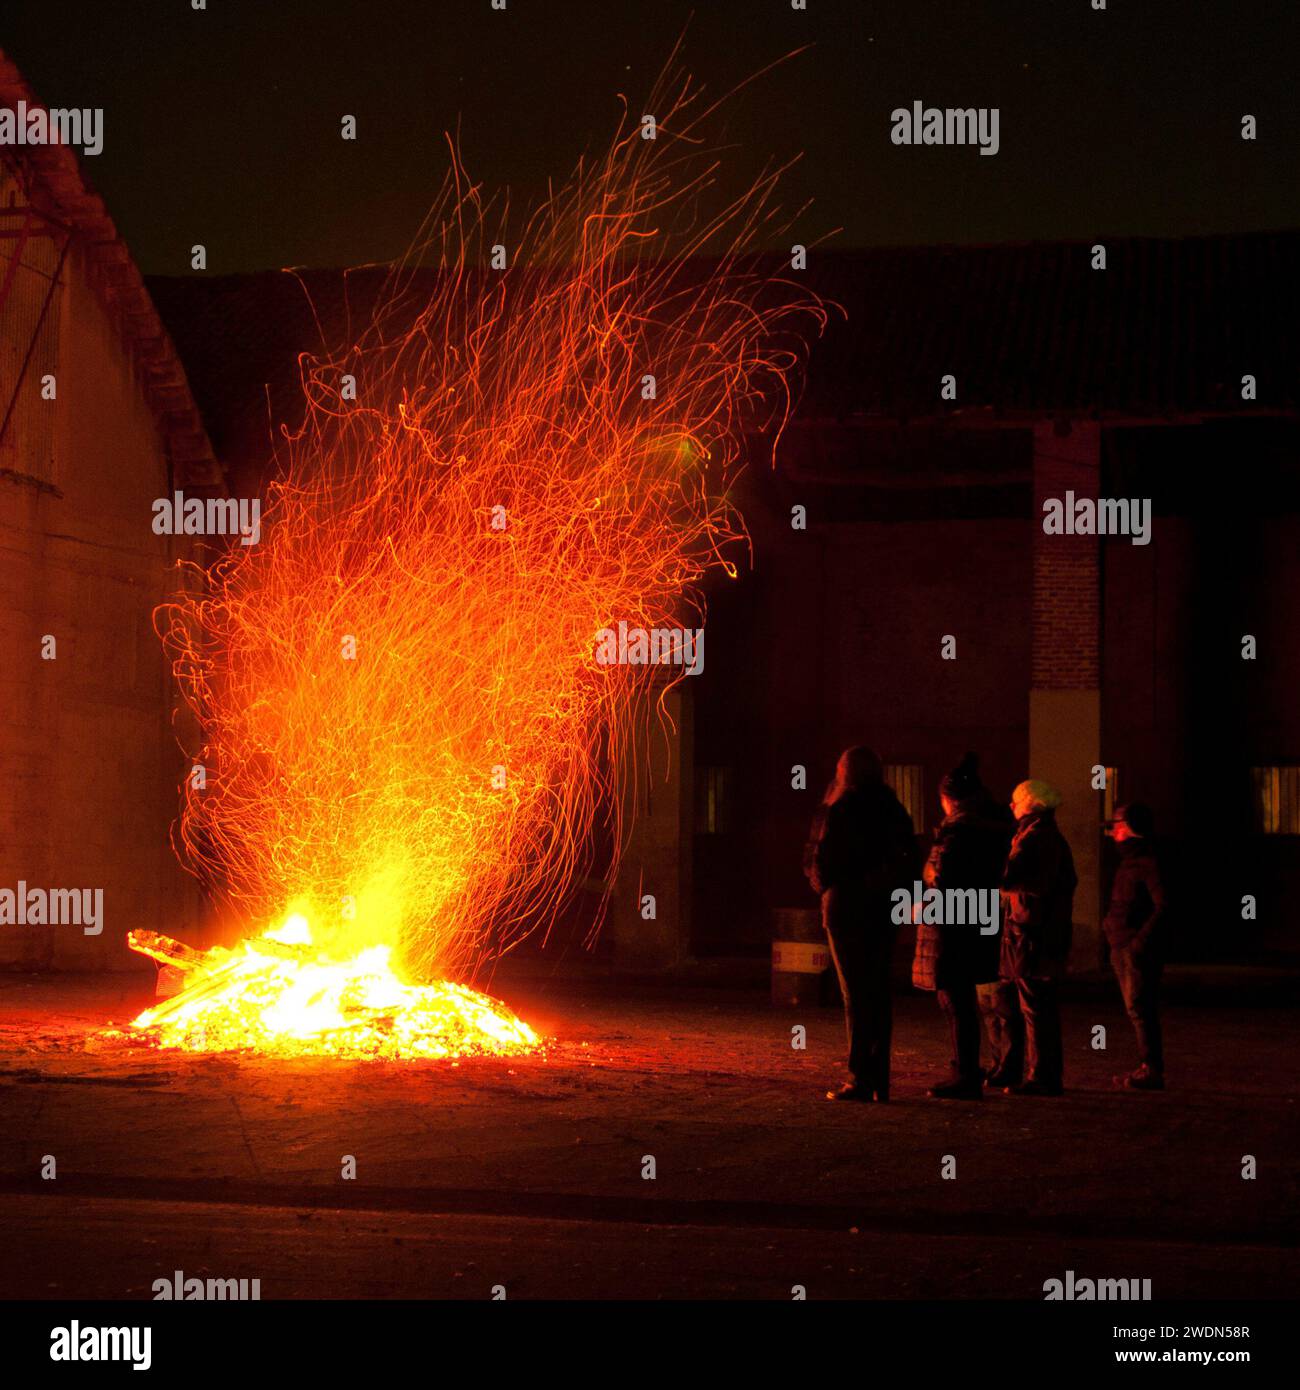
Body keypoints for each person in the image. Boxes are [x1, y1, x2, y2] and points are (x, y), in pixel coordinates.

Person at [804, 746, 918, 1102]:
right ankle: (879, 1079)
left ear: (845, 773)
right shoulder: (894, 810)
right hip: (884, 910)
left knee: (855, 994)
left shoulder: (840, 809)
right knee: (879, 991)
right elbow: (908, 860)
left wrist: (827, 887)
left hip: (846, 910)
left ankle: (860, 1076)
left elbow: (821, 860)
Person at [911, 753, 1014, 1099]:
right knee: (969, 1000)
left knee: (954, 1000)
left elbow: (941, 879)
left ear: (949, 798)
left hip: (952, 925)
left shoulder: (957, 832)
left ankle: (965, 1073)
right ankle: (978, 1068)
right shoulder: (994, 828)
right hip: (977, 920)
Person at [998, 779, 1077, 1096]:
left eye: (1015, 801)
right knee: (1035, 1005)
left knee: (1035, 1006)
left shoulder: (1036, 839)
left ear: (1029, 805)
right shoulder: (1043, 836)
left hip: (1034, 934)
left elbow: (1017, 878)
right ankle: (1041, 1072)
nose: (1011, 806)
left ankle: (1042, 1076)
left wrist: (1000, 871)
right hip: (1038, 931)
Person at [1103, 802, 1167, 1090]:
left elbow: (1163, 906)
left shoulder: (1147, 864)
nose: (1113, 831)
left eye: (1117, 825)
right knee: (1136, 1008)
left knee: (1140, 1007)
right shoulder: (1129, 862)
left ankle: (1151, 1069)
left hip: (1132, 947)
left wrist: (1138, 942)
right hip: (1123, 944)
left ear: (1130, 829)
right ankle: (1148, 1066)